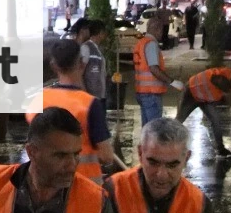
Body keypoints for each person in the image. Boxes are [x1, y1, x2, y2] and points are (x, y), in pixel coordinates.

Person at [26, 39, 121, 183]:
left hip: (45, 185)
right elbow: (106, 156)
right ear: (82, 63)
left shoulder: (37, 101)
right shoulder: (89, 104)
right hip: (83, 185)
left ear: (54, 66)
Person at [176, 65, 231, 159]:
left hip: (205, 98)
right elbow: (230, 100)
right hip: (191, 93)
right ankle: (164, 142)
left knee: (216, 121)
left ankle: (221, 150)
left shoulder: (229, 78)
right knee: (179, 120)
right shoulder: (225, 80)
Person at [133, 27, 183, 126]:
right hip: (151, 93)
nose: (162, 33)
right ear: (157, 29)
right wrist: (172, 82)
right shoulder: (151, 44)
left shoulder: (141, 42)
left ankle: (145, 142)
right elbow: (154, 69)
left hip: (142, 91)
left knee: (147, 129)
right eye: (161, 30)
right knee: (154, 129)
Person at [69, 18, 109, 100]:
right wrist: (84, 95)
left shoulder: (95, 48)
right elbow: (79, 73)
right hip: (90, 97)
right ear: (101, 33)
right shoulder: (86, 48)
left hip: (98, 96)